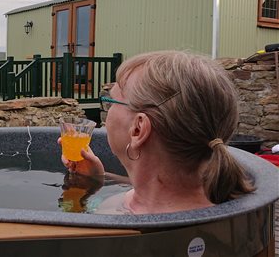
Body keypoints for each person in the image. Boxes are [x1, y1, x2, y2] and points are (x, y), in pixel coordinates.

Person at [62, 50, 255, 214]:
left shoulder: (122, 230)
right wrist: (96, 178)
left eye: (111, 102)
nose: (108, 111)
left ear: (138, 129)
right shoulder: (224, 208)